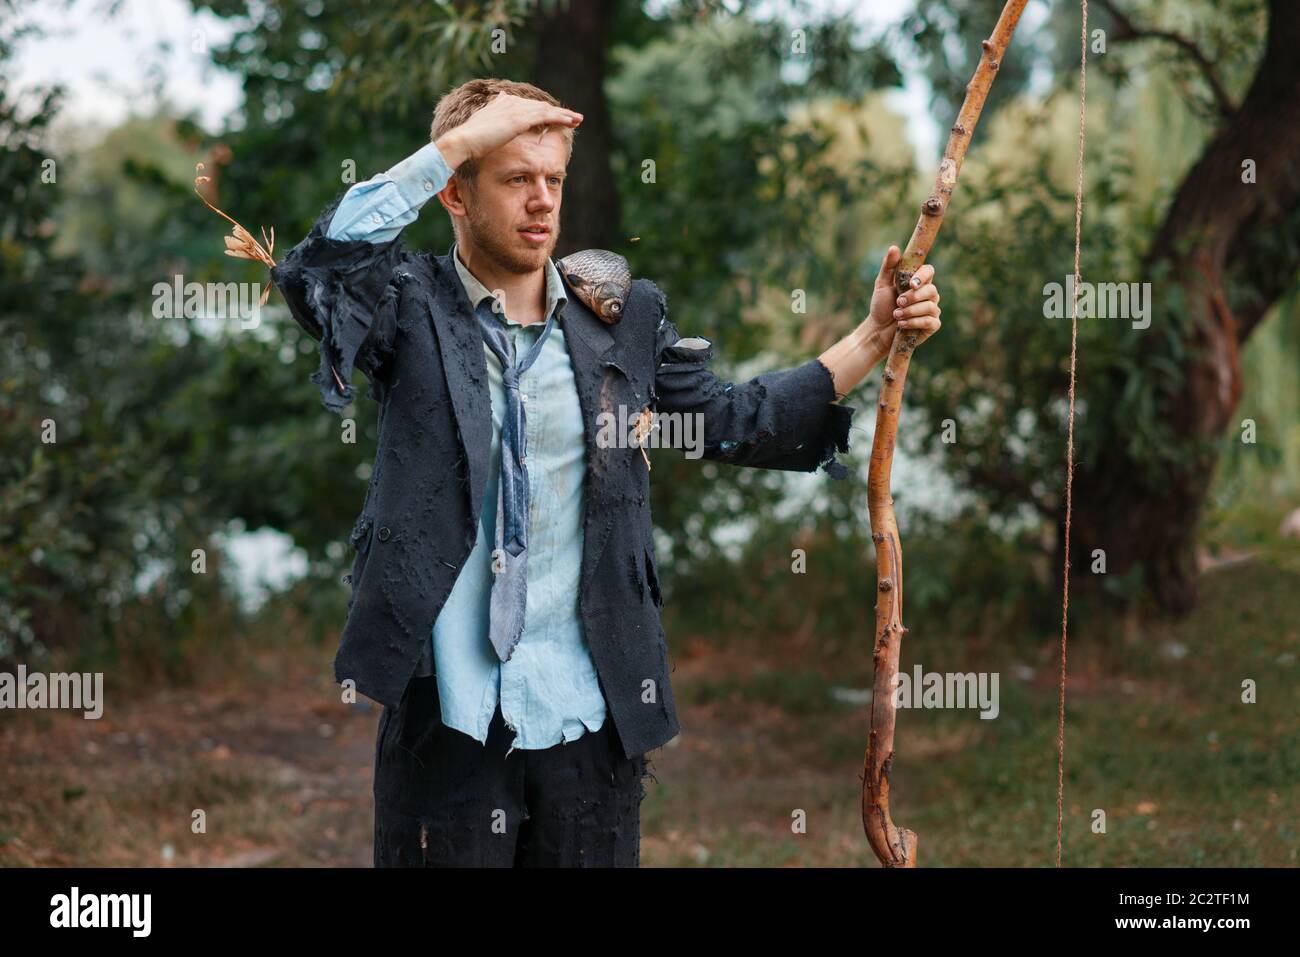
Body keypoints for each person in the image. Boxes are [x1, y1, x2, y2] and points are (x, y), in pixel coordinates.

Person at [270, 77, 942, 867]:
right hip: (444, 718)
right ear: (456, 191)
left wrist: (872, 334)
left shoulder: (620, 320)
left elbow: (732, 419)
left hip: (589, 716)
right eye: (516, 178)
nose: (542, 202)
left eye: (553, 180)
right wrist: (453, 142)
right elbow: (315, 273)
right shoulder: (409, 307)